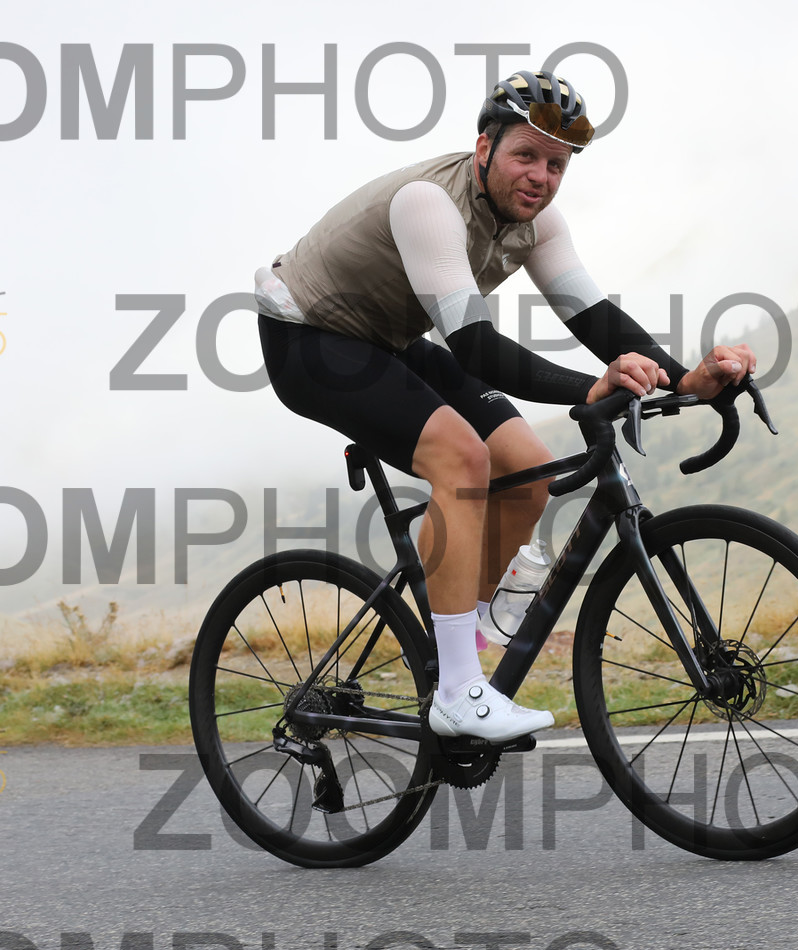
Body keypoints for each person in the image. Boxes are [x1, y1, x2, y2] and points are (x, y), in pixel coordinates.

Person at [255, 70, 755, 743]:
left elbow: (596, 319)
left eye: (557, 165)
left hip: (388, 337)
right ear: (485, 148)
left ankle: (457, 657)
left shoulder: (539, 223)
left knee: (528, 469)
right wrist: (589, 388)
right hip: (308, 338)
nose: (540, 177)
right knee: (462, 460)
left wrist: (687, 379)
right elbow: (474, 346)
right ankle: (458, 695)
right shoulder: (429, 202)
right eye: (526, 155)